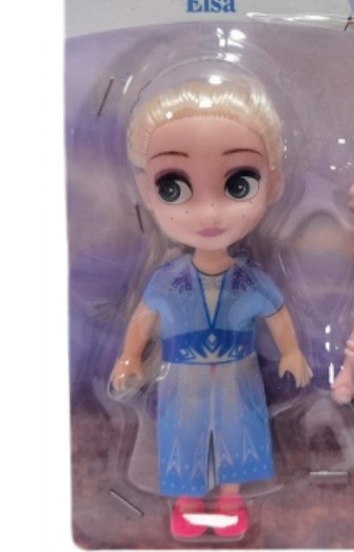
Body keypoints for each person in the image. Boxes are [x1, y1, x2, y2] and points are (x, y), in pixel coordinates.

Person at [110, 78, 311, 539]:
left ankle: (231, 499)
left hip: (239, 373)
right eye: (174, 187)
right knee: (184, 435)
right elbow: (143, 319)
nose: (209, 214)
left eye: (239, 185)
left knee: (239, 433)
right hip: (183, 378)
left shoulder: (250, 278)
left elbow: (277, 313)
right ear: (146, 190)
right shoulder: (167, 279)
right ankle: (186, 501)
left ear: (273, 183)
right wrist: (128, 357)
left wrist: (291, 351)